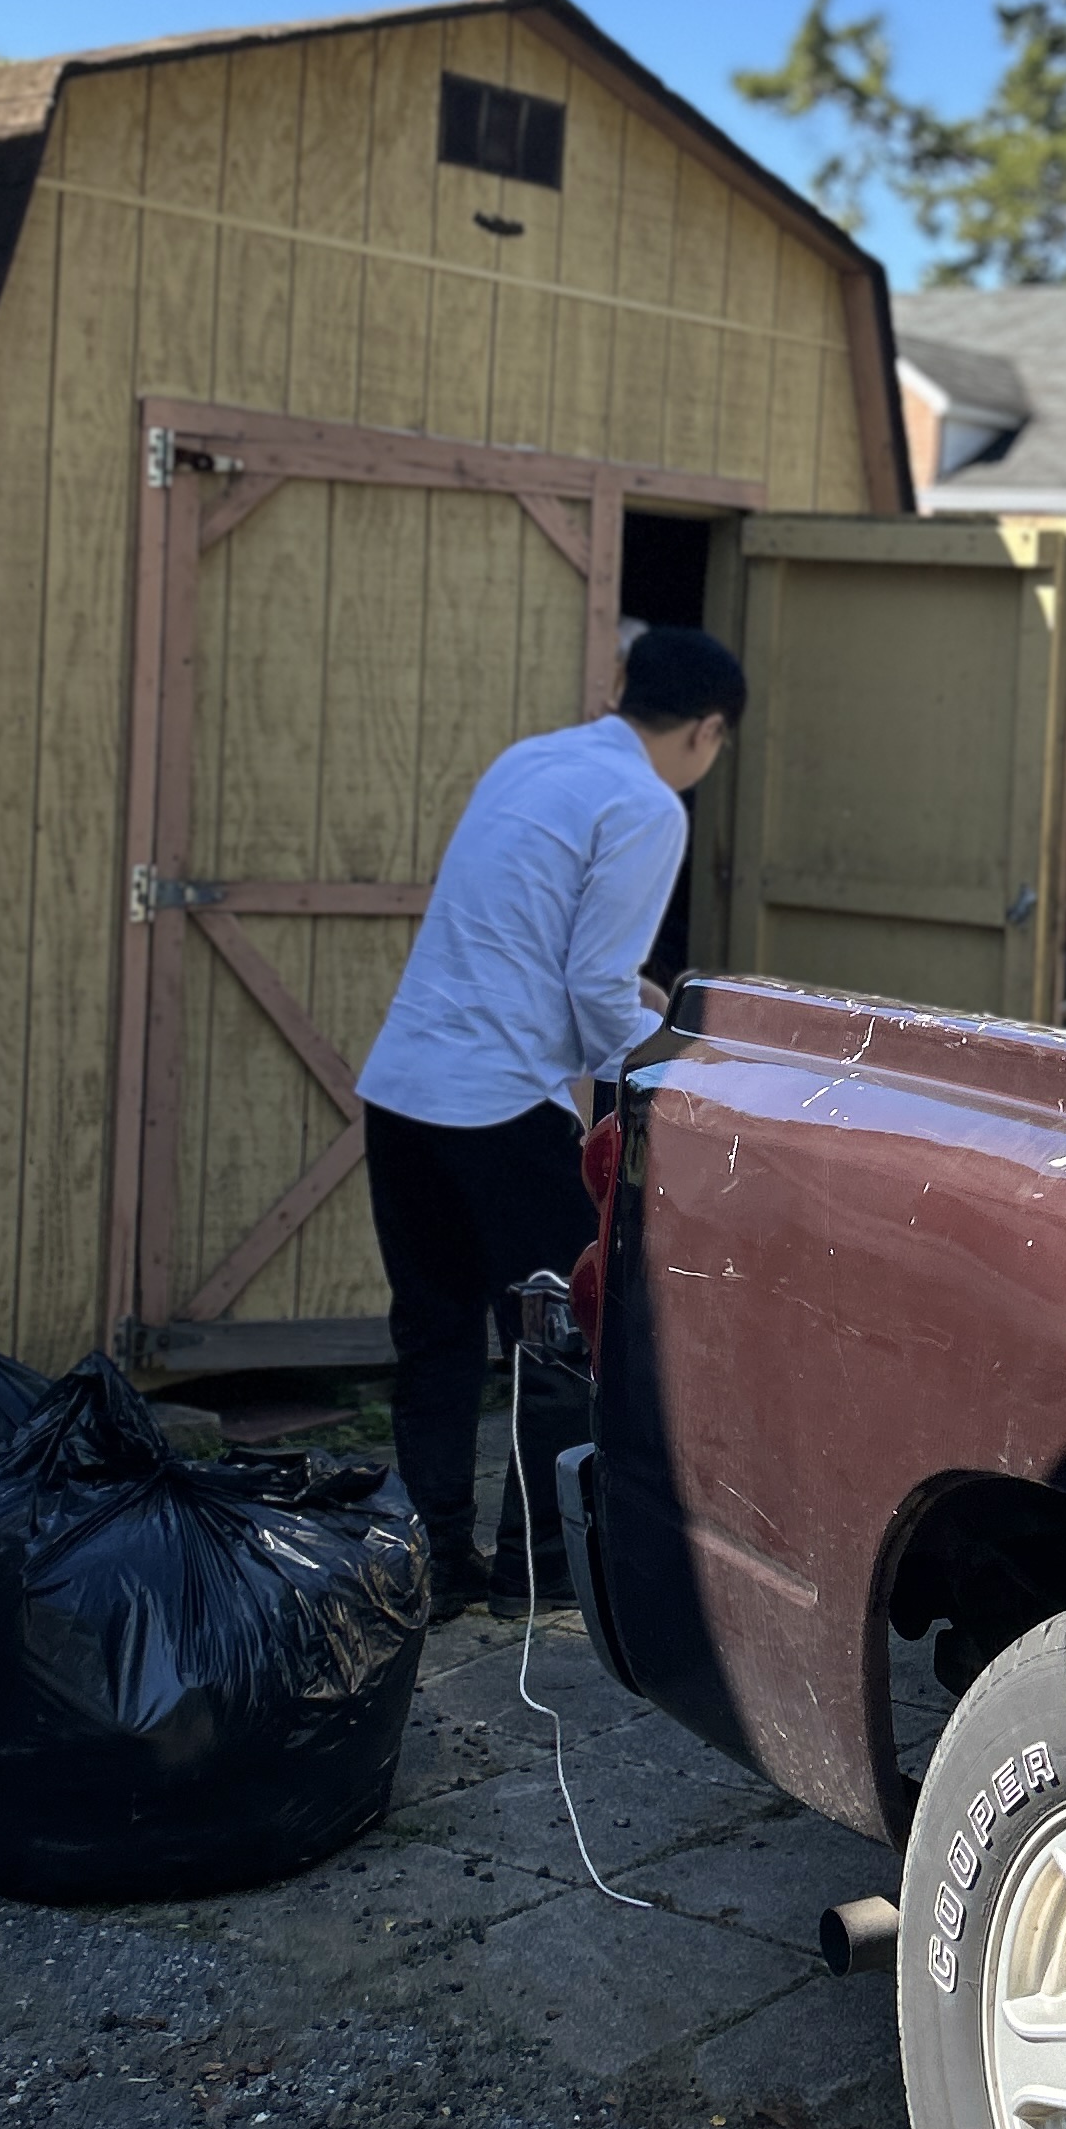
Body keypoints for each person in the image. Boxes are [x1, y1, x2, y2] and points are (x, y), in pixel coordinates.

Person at [357, 624, 746, 1605]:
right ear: (708, 731)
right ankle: (542, 1569)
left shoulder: (530, 760)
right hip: (497, 1105)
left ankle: (438, 1564)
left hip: (404, 1089)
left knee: (436, 1335)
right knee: (564, 1342)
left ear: (623, 687)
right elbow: (594, 989)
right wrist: (687, 1060)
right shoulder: (647, 806)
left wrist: (631, 1004)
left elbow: (534, 946)